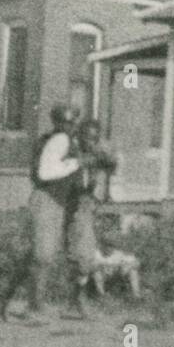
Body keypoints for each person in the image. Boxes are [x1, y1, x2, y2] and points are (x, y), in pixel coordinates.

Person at [0, 104, 80, 322]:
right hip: (46, 199)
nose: (70, 126)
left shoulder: (71, 142)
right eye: (65, 122)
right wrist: (74, 164)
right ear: (57, 122)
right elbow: (43, 174)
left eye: (72, 122)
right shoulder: (52, 142)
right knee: (42, 256)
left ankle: (8, 293)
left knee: (41, 256)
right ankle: (35, 307)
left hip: (59, 202)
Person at [64, 119, 118, 319]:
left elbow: (112, 164)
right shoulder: (72, 153)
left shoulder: (96, 156)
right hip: (69, 206)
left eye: (95, 138)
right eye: (87, 137)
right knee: (44, 255)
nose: (91, 141)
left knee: (85, 259)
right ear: (79, 136)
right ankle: (10, 291)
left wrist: (105, 155)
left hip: (86, 208)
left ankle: (77, 297)